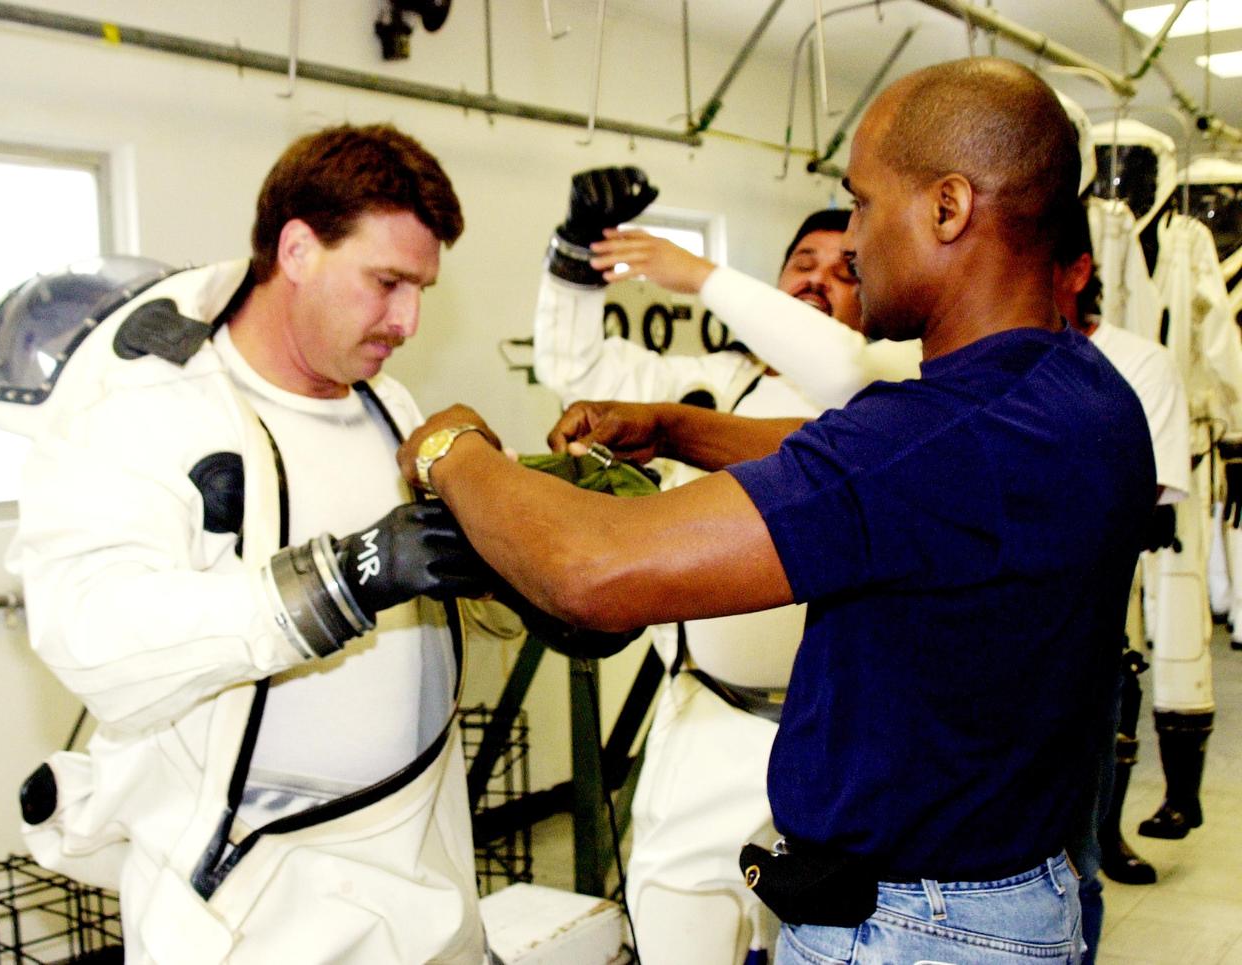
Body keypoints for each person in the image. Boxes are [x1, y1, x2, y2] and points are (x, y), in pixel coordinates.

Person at [400, 58, 1156, 964]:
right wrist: (681, 426)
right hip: (1019, 892)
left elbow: (590, 567)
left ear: (949, 209)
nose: (854, 242)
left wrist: (453, 448)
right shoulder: (1081, 391)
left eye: (864, 206)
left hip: (914, 931)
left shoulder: (937, 437)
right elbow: (858, 467)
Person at [1, 125, 496, 963]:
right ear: (298, 248)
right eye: (387, 282)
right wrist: (340, 579)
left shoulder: (393, 409)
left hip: (418, 880)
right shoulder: (143, 409)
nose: (409, 319)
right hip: (248, 910)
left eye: (422, 289)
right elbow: (89, 632)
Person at [535, 182, 918, 964]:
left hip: (845, 737)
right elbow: (572, 364)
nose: (817, 277)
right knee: (677, 918)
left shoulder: (897, 393)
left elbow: (852, 376)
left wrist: (700, 274)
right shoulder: (715, 383)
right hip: (710, 718)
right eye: (800, 263)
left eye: (844, 266)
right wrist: (578, 248)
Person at [1053, 202, 1191, 963]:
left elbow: (1145, 504)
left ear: (1079, 272)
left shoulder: (1135, 365)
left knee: (1074, 861)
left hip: (1080, 636)